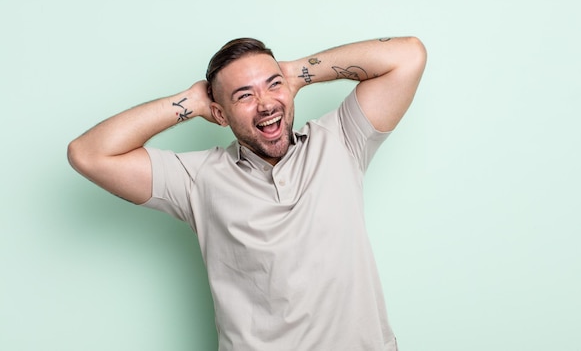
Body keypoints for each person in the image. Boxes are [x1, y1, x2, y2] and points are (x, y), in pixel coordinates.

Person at [67, 36, 427, 350]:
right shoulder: (198, 179)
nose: (266, 103)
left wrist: (297, 71)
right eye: (245, 95)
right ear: (220, 114)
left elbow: (408, 55)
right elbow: (88, 153)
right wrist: (191, 102)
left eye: (273, 85)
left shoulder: (341, 140)